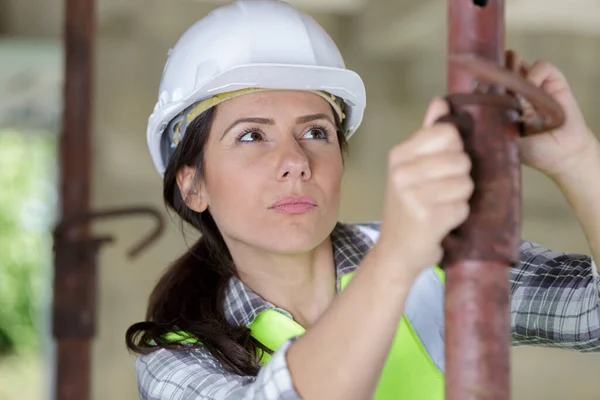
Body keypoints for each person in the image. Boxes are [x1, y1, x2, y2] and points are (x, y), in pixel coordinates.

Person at [126, 1, 600, 399]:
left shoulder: (436, 263)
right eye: (251, 136)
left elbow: (591, 315)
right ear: (193, 186)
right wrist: (395, 258)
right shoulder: (174, 360)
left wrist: (577, 160)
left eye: (316, 131)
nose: (295, 161)